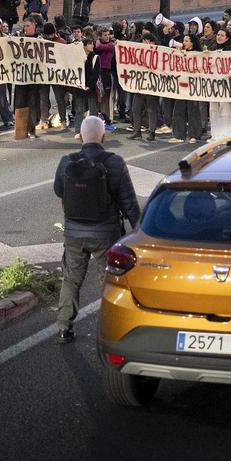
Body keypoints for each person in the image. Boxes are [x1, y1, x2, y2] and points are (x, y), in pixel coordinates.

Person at [52, 115, 143, 343]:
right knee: (112, 281)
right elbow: (129, 204)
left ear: (81, 137)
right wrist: (140, 234)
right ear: (103, 137)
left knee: (71, 280)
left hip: (74, 233)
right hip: (106, 234)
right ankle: (112, 329)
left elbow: (59, 191)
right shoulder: (115, 163)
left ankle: (64, 327)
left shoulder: (66, 162)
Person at [207, 27, 231, 139]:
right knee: (213, 109)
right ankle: (215, 134)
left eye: (222, 35)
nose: (219, 37)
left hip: (226, 84)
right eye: (218, 34)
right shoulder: (213, 48)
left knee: (225, 109)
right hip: (213, 84)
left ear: (227, 38)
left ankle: (226, 134)